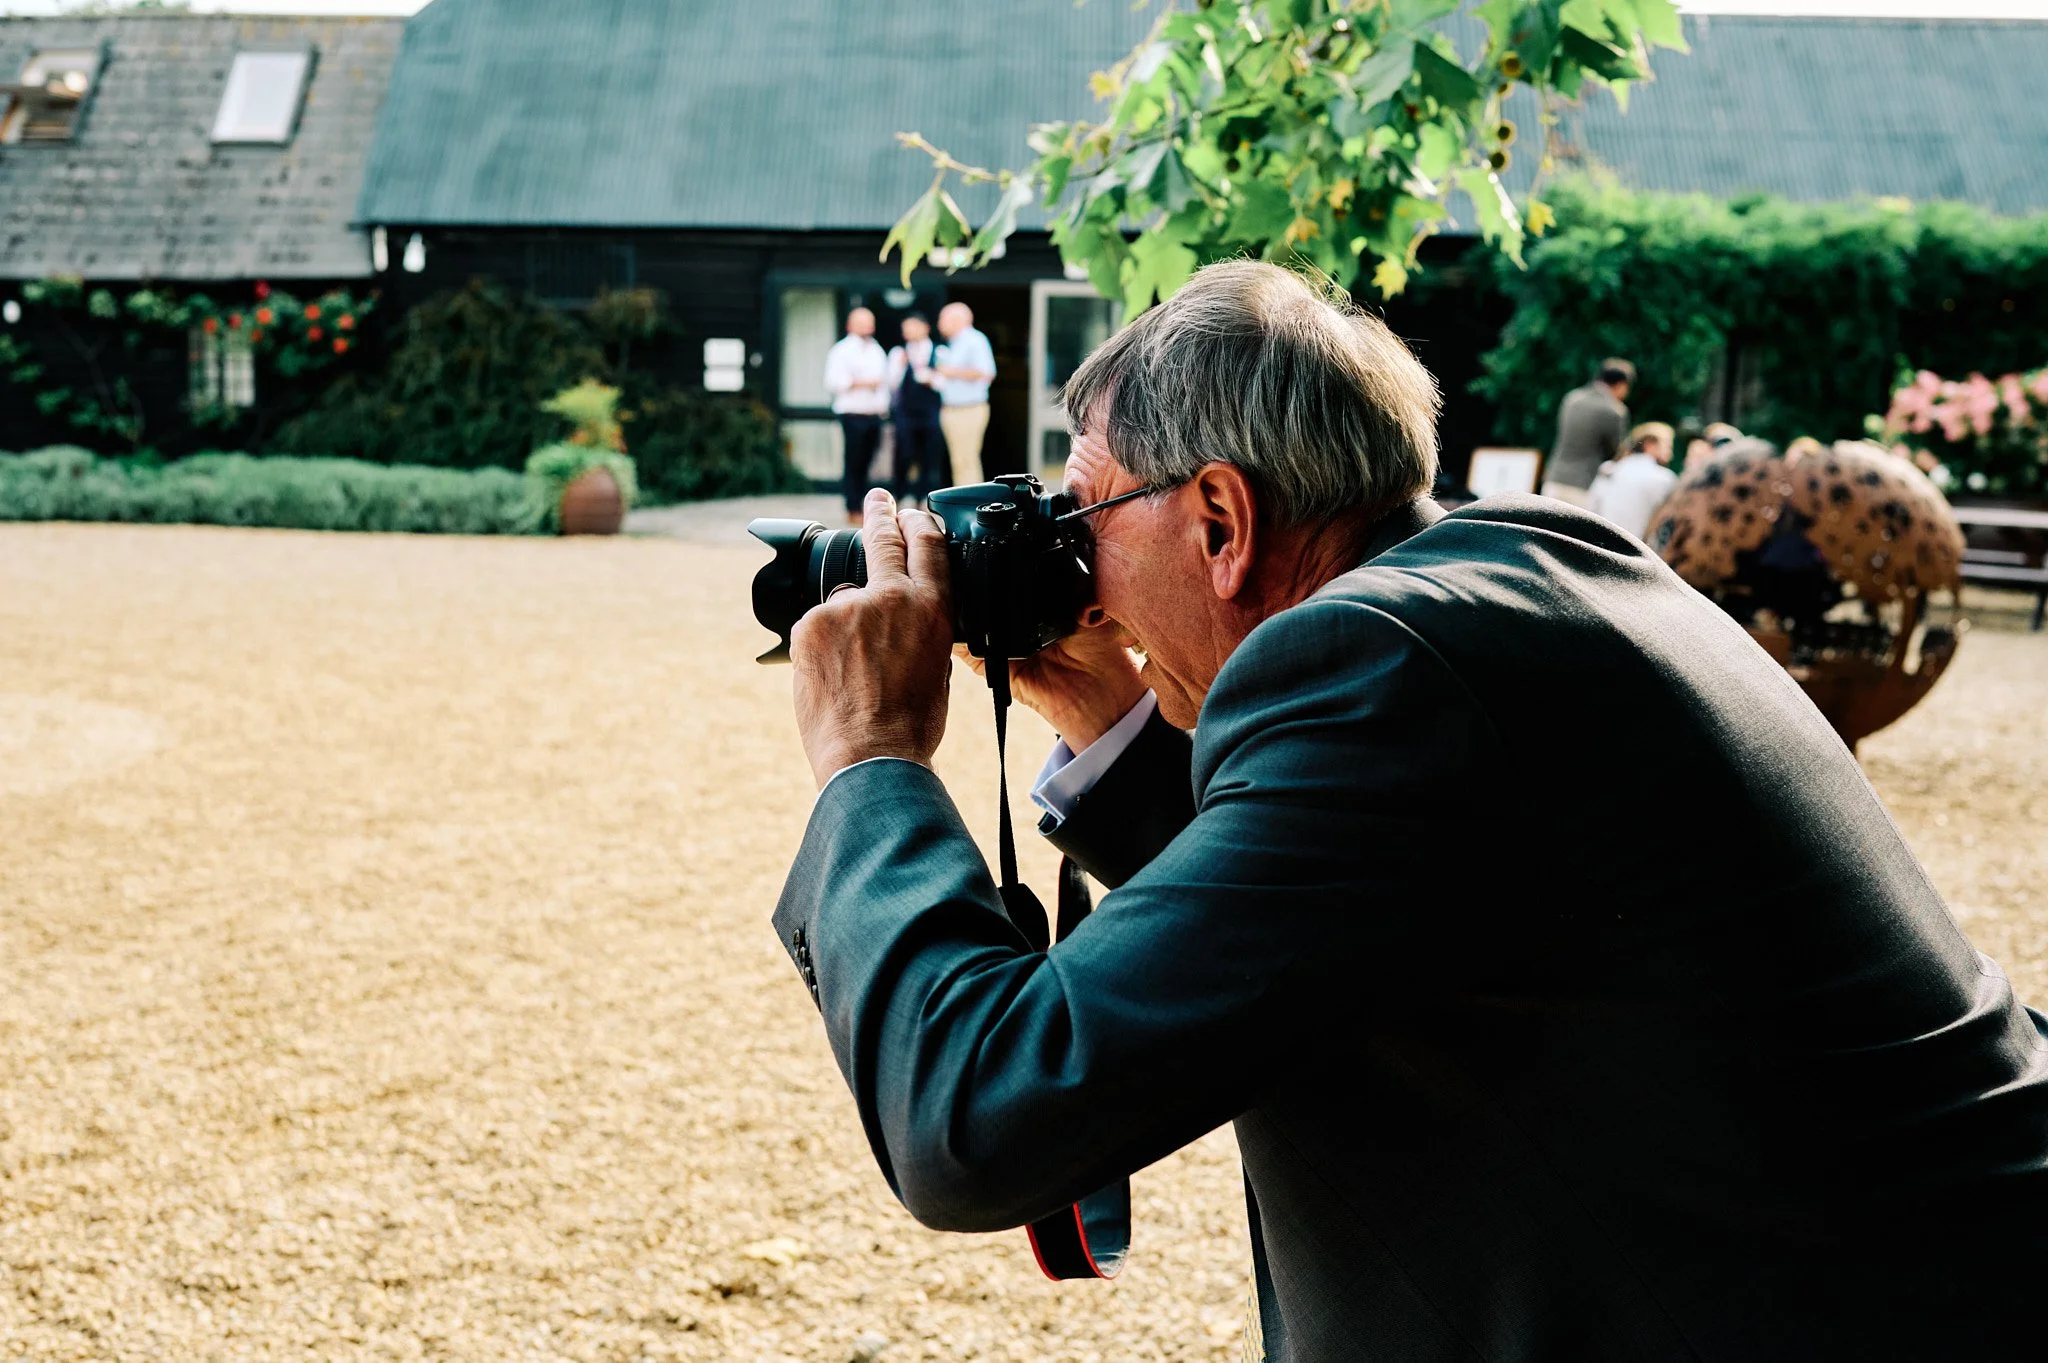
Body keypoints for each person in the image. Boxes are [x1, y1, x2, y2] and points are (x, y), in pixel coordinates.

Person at [773, 262, 2048, 1361]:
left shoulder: (1377, 667)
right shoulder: (1528, 564)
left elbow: (979, 1118)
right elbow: (1310, 922)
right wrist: (1110, 719)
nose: (1076, 568)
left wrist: (870, 758)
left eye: (1084, 512)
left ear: (1220, 518)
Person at [822, 306, 891, 526]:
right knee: (853, 462)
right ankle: (852, 507)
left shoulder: (876, 350)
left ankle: (864, 505)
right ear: (850, 325)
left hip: (874, 414)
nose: (867, 326)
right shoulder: (841, 350)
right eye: (862, 322)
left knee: (868, 462)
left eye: (870, 322)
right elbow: (833, 382)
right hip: (852, 414)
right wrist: (862, 382)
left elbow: (884, 382)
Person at [1543, 358, 1633, 505]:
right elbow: (1614, 451)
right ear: (1621, 384)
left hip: (1554, 478)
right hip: (1583, 485)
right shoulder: (1614, 410)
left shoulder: (1572, 399)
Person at [887, 313, 947, 505]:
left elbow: (946, 383)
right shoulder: (898, 353)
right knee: (904, 453)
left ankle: (923, 498)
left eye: (912, 327)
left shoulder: (940, 352)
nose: (909, 332)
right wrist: (901, 366)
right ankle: (899, 495)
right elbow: (891, 383)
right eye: (906, 328)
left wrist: (932, 379)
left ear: (925, 328)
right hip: (906, 412)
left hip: (929, 411)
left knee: (928, 456)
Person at [933, 301, 995, 486]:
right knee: (959, 461)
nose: (940, 323)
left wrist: (949, 371)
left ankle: (970, 506)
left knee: (967, 460)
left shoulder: (974, 340)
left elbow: (986, 373)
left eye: (942, 318)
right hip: (952, 409)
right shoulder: (955, 343)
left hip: (968, 409)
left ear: (957, 319)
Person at [1587, 420, 1679, 539]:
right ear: (1649, 445)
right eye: (1668, 446)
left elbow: (1592, 506)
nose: (1671, 453)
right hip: (1633, 545)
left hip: (1598, 537)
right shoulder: (1664, 478)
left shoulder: (1609, 468)